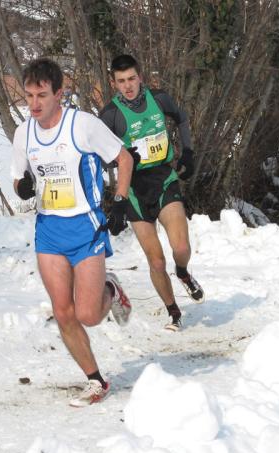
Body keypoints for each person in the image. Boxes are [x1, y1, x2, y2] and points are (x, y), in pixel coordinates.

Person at [11, 58, 134, 407]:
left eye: (42, 96)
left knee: (88, 315)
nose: (34, 104)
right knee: (62, 311)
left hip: (86, 228)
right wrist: (23, 188)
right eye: (29, 96)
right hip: (49, 230)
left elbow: (124, 159)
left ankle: (111, 288)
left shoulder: (82, 126)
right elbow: (19, 176)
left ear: (59, 94)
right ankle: (96, 380)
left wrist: (120, 202)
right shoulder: (24, 133)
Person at [99, 54, 204, 332]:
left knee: (180, 248)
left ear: (140, 77)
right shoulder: (109, 114)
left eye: (132, 78)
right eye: (121, 81)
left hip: (164, 178)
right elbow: (100, 156)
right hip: (133, 188)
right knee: (156, 260)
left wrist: (188, 152)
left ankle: (182, 271)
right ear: (114, 83)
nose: (128, 86)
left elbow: (181, 119)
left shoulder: (159, 99)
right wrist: (119, 158)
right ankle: (174, 312)